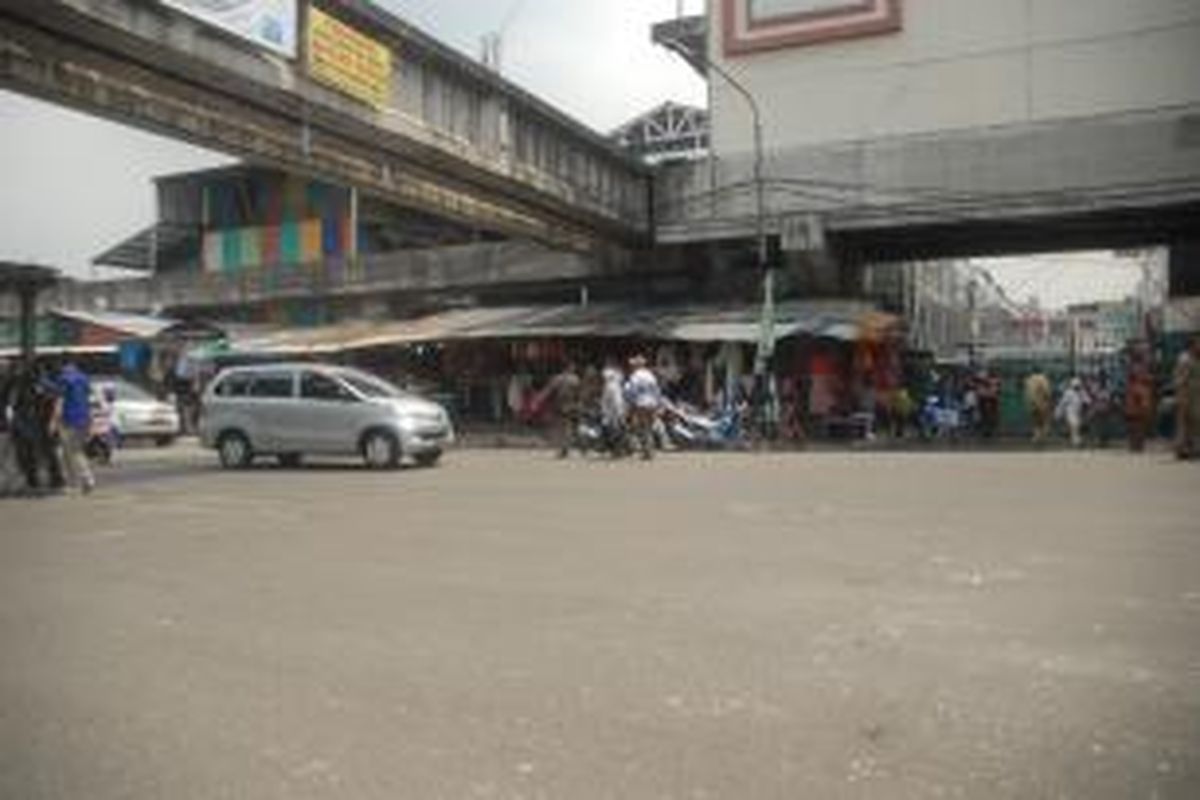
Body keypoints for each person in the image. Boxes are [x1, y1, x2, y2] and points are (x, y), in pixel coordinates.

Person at [55, 359, 96, 494]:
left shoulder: (64, 379)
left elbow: (60, 402)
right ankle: (86, 479)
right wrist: (91, 421)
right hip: (84, 419)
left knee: (66, 453)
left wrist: (53, 421)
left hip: (68, 420)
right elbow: (89, 400)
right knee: (77, 450)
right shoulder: (84, 378)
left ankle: (74, 482)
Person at [624, 355, 662, 460]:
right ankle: (650, 450)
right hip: (652, 403)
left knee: (643, 427)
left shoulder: (635, 376)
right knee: (649, 427)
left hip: (641, 403)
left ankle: (647, 451)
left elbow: (632, 391)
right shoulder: (650, 375)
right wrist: (658, 404)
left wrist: (630, 404)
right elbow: (657, 391)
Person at [545, 361, 583, 458]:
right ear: (570, 368)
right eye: (573, 367)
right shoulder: (575, 379)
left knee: (560, 428)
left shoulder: (557, 378)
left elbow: (550, 391)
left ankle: (562, 448)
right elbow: (578, 394)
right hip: (570, 406)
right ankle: (565, 448)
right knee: (568, 427)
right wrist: (578, 404)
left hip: (559, 405)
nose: (574, 369)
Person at [1173, 336, 1200, 460]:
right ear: (1192, 345)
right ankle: (1183, 449)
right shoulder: (1185, 359)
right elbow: (1180, 379)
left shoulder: (1195, 358)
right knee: (1185, 423)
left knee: (1194, 422)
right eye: (1198, 344)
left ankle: (1192, 448)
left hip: (1194, 395)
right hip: (1186, 395)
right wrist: (1181, 395)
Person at [1124, 360, 1155, 453]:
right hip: (1136, 409)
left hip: (1137, 409)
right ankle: (1136, 445)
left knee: (1138, 426)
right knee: (1137, 426)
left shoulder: (1139, 386)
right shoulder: (1137, 387)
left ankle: (1137, 445)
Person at [600, 361, 628, 456]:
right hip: (614, 413)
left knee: (613, 430)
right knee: (617, 430)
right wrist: (620, 413)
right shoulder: (614, 386)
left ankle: (615, 449)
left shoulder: (608, 386)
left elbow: (604, 402)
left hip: (611, 413)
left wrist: (604, 412)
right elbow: (617, 402)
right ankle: (617, 450)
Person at [1056, 376, 1089, 448]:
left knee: (1077, 427)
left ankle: (1074, 441)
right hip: (1070, 412)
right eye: (1076, 385)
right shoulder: (1068, 393)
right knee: (1074, 426)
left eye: (1078, 385)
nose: (1077, 387)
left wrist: (1085, 403)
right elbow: (1062, 403)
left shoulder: (1082, 392)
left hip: (1079, 413)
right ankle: (1077, 442)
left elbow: (1088, 401)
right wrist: (1058, 413)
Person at [1024, 367, 1053, 444]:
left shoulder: (1029, 380)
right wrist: (1049, 401)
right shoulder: (1043, 379)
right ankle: (1043, 436)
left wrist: (1029, 403)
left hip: (1032, 403)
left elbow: (1027, 394)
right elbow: (1047, 392)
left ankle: (1036, 436)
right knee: (1043, 421)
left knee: (1035, 421)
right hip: (1042, 402)